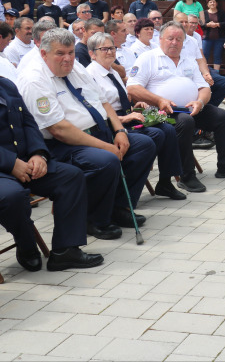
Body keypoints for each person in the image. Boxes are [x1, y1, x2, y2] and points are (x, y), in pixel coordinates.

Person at [18, 29, 156, 237]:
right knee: (106, 159)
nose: (67, 59)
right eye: (60, 53)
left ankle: (118, 207)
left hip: (99, 131)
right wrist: (107, 146)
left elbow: (103, 101)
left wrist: (119, 130)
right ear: (43, 53)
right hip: (64, 144)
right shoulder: (34, 80)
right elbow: (58, 129)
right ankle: (93, 219)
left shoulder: (76, 68)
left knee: (143, 145)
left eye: (71, 52)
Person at [127, 21, 225, 193]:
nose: (174, 42)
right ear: (161, 39)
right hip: (159, 111)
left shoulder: (188, 60)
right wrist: (159, 100)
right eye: (170, 38)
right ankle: (186, 175)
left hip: (190, 107)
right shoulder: (148, 58)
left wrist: (200, 102)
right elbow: (133, 88)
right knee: (185, 122)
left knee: (222, 116)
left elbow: (204, 88)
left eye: (179, 39)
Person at [0, 77, 104, 272]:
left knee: (71, 177)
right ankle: (26, 244)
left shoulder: (6, 84)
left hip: (26, 162)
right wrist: (11, 163)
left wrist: (38, 153)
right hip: (4, 169)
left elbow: (28, 123)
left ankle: (65, 251)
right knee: (12, 196)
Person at [86, 32, 186, 200]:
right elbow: (94, 109)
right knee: (155, 135)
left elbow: (119, 97)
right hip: (111, 123)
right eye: (104, 49)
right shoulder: (90, 75)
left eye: (112, 48)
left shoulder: (112, 71)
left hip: (128, 115)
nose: (110, 52)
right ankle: (127, 194)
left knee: (167, 129)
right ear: (92, 53)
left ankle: (165, 183)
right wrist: (124, 119)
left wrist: (134, 106)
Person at [201, 0, 225, 71]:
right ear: (207, 4)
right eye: (210, 2)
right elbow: (201, 24)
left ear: (216, 3)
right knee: (204, 55)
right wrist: (208, 25)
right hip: (207, 38)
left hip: (219, 38)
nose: (212, 3)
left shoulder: (221, 12)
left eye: (214, 2)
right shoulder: (204, 13)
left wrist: (217, 24)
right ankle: (204, 72)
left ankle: (216, 73)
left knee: (217, 55)